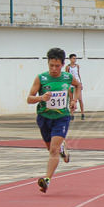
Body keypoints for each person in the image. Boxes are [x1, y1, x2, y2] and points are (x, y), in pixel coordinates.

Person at [27, 47, 79, 193]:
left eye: (57, 66)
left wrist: (74, 101)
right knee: (51, 148)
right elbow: (29, 99)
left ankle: (47, 180)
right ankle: (63, 149)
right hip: (44, 118)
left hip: (61, 118)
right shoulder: (41, 78)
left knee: (53, 151)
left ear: (63, 65)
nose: (54, 69)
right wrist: (40, 98)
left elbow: (78, 85)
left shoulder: (67, 77)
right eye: (51, 65)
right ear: (48, 63)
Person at [64, 53, 85, 120]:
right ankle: (72, 114)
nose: (74, 60)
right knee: (71, 99)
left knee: (80, 99)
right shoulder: (68, 67)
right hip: (71, 84)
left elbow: (78, 74)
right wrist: (67, 85)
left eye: (75, 58)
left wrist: (80, 83)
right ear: (70, 59)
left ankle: (82, 113)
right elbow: (66, 76)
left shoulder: (77, 66)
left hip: (77, 83)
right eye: (73, 58)